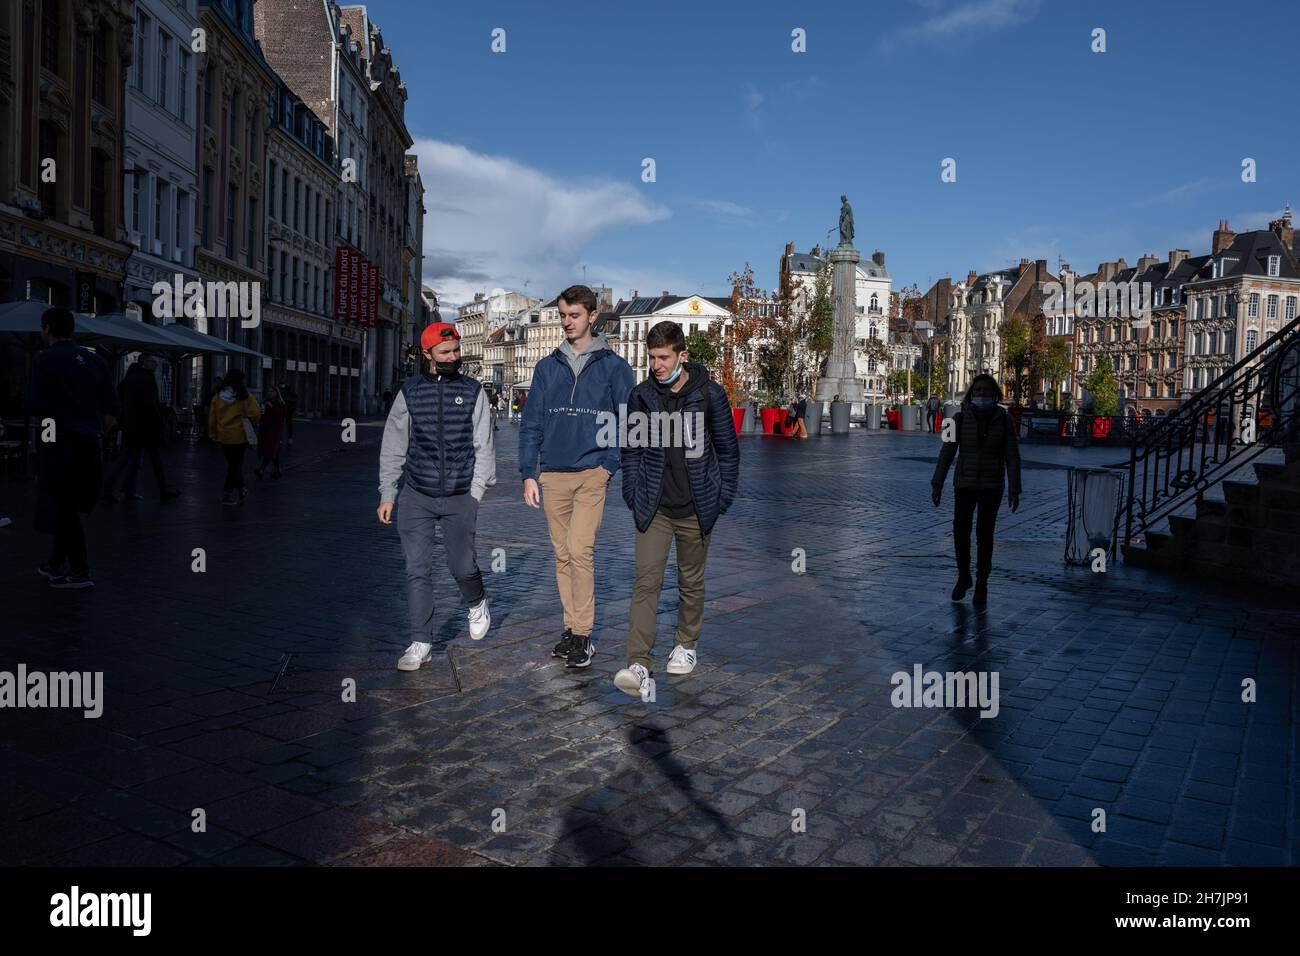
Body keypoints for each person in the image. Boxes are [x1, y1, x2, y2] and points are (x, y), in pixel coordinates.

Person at [614, 321, 739, 699]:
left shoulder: (709, 395)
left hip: (697, 506)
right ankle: (638, 661)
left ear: (682, 355)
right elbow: (631, 450)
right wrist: (634, 495)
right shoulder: (641, 396)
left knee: (691, 581)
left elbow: (728, 450)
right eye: (652, 357)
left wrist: (720, 499)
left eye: (664, 357)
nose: (656, 364)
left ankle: (686, 644)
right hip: (654, 507)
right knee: (646, 582)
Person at [520, 284, 634, 669]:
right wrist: (528, 473)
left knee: (580, 550)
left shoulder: (614, 367)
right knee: (562, 554)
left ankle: (583, 635)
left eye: (574, 315)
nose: (567, 323)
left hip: (591, 473)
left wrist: (609, 465)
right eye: (562, 316)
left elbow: (625, 420)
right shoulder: (546, 367)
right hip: (552, 473)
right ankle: (570, 629)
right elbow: (531, 422)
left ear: (592, 316)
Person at [379, 322, 495, 669]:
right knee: (417, 570)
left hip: (460, 495)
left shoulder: (474, 391)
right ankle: (420, 641)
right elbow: (394, 445)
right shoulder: (409, 391)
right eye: (445, 353)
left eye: (456, 351)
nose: (453, 357)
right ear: (428, 354)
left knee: (461, 565)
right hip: (417, 495)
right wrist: (388, 492)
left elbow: (484, 445)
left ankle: (476, 602)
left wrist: (475, 493)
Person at [25, 307, 119, 589]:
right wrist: (96, 430)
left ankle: (79, 570)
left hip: (59, 440)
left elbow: (35, 405)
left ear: (48, 329)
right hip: (90, 441)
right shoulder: (95, 360)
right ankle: (54, 561)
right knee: (72, 503)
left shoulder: (45, 360)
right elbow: (112, 410)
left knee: (62, 504)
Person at [931, 374, 1021, 605]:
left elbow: (1012, 456)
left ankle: (982, 583)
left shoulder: (1005, 420)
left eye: (986, 391)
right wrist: (937, 482)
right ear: (972, 394)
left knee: (985, 534)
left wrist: (1014, 488)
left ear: (994, 394)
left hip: (992, 485)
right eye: (978, 390)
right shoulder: (957, 419)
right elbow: (946, 452)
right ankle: (963, 576)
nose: (981, 394)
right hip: (964, 483)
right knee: (960, 531)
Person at [101, 354, 180, 503]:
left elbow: (119, 401)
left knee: (126, 459)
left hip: (131, 427)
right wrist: (160, 424)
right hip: (147, 427)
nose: (156, 364)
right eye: (153, 361)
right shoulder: (148, 379)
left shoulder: (127, 380)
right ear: (144, 362)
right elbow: (152, 406)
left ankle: (112, 489)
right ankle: (162, 491)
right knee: (154, 460)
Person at [208, 369, 261, 505]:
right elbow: (255, 413)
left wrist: (213, 434)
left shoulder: (218, 396)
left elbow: (212, 418)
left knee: (233, 464)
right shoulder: (244, 396)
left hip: (224, 434)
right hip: (239, 435)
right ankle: (227, 493)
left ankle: (242, 488)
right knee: (235, 465)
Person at [254, 384, 288, 479]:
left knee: (270, 449)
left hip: (275, 430)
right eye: (269, 391)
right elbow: (262, 415)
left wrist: (272, 407)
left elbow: (281, 416)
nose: (270, 393)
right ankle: (277, 471)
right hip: (265, 429)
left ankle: (262, 469)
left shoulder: (281, 403)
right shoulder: (265, 402)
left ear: (277, 393)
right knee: (274, 451)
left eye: (272, 391)